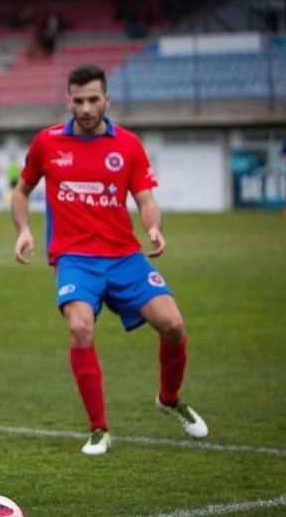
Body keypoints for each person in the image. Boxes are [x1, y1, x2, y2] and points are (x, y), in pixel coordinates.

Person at [11, 63, 208, 456]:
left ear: (107, 100)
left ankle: (169, 399)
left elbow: (146, 200)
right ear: (68, 99)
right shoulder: (47, 143)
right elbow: (22, 191)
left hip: (124, 256)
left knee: (173, 324)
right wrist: (24, 229)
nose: (85, 108)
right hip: (74, 259)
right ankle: (99, 428)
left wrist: (153, 228)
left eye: (93, 99)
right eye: (78, 100)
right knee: (81, 328)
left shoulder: (128, 145)